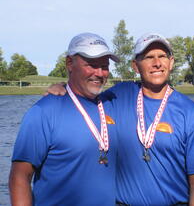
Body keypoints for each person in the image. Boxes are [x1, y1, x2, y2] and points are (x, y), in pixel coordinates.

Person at [47, 33, 194, 206]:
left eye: (162, 56)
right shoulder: (118, 96)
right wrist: (63, 87)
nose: (157, 63)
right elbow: (84, 97)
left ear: (171, 63)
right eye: (148, 57)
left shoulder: (191, 113)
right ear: (135, 66)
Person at [8, 32, 120, 206]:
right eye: (91, 65)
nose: (99, 73)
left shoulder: (113, 103)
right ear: (69, 63)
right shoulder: (43, 112)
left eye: (104, 66)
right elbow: (20, 176)